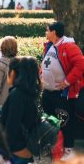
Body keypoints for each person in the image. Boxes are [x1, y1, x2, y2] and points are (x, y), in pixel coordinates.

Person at [41, 21, 84, 161]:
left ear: (54, 32)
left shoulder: (69, 46)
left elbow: (81, 64)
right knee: (50, 121)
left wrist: (66, 82)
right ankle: (54, 147)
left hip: (63, 94)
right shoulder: (50, 46)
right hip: (49, 92)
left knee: (65, 121)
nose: (46, 33)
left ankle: (68, 149)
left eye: (47, 30)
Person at [0, 57, 41, 164]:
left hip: (16, 151)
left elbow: (12, 126)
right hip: (25, 150)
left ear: (13, 73)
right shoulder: (31, 93)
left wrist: (3, 153)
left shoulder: (17, 94)